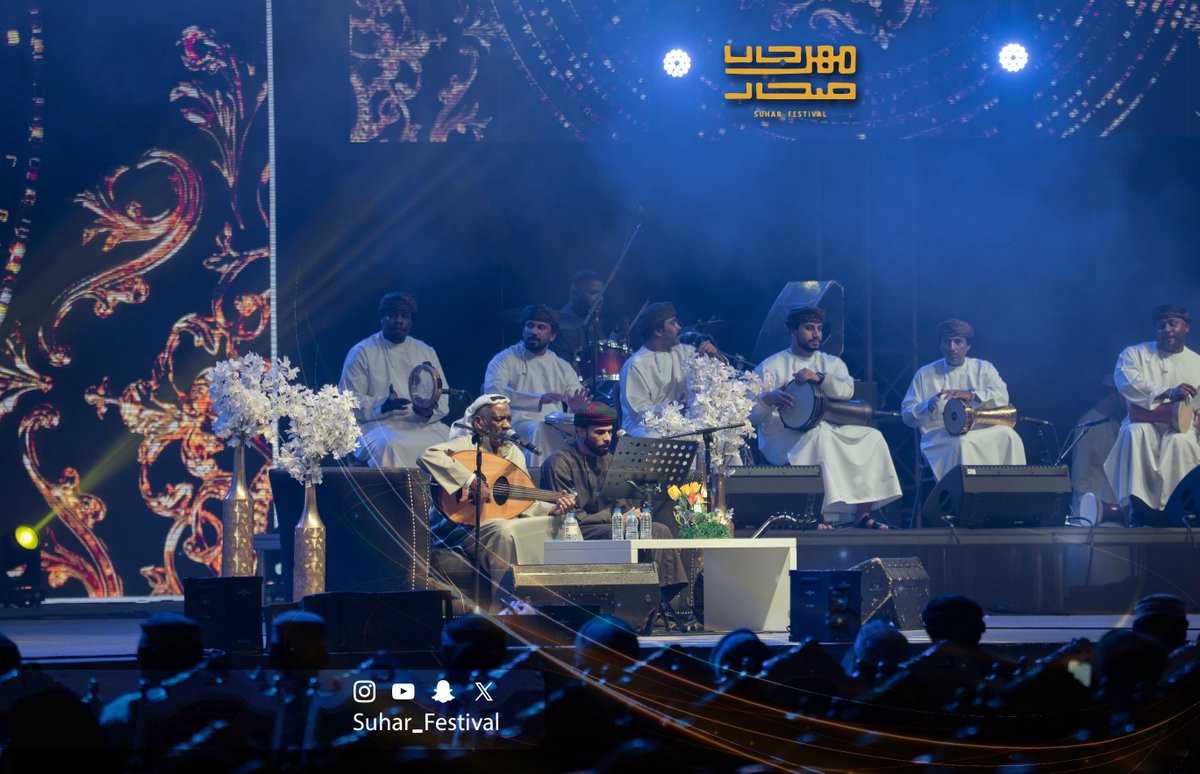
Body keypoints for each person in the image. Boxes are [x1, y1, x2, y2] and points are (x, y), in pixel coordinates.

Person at [751, 306, 902, 528]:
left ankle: (862, 514)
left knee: (873, 437)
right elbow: (750, 416)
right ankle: (816, 515)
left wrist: (820, 377)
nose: (816, 334)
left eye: (819, 329)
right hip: (781, 435)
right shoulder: (770, 366)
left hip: (828, 426)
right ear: (792, 331)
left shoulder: (831, 363)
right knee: (819, 437)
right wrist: (769, 398)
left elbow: (847, 391)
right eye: (809, 328)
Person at [418, 395, 573, 586]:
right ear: (479, 422)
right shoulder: (467, 443)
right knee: (504, 530)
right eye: (499, 419)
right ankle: (507, 599)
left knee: (561, 523)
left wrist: (551, 510)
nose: (506, 425)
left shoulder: (514, 452)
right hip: (461, 528)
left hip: (497, 521)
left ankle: (556, 593)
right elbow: (429, 456)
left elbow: (522, 501)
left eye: (508, 418)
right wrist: (470, 480)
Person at [540, 402, 690, 599]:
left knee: (658, 529)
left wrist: (631, 515)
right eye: (600, 432)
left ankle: (658, 601)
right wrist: (617, 518)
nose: (608, 438)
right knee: (642, 531)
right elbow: (569, 516)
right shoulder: (559, 462)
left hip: (613, 527)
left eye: (610, 432)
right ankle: (647, 603)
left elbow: (623, 505)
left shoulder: (612, 461)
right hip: (577, 532)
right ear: (580, 431)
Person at [1103, 304, 1200, 523]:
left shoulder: (1197, 363)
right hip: (1143, 421)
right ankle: (1139, 509)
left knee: (1181, 442)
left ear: (1186, 327)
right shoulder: (1134, 354)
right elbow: (1126, 381)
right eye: (1161, 326)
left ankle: (1181, 510)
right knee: (1135, 433)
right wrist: (1167, 392)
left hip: (1183, 427)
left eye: (1173, 324)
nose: (1167, 330)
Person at [901, 319, 1026, 481]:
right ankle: (969, 494)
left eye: (958, 341)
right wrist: (927, 405)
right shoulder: (925, 374)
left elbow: (1003, 395)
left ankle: (1010, 489)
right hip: (941, 435)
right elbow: (906, 414)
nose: (952, 347)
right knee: (962, 443)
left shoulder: (983, 368)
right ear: (941, 345)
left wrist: (971, 395)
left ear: (968, 345)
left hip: (980, 429)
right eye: (947, 342)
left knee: (1009, 435)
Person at [339, 291, 451, 468]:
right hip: (377, 425)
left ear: (411, 320)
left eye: (405, 315)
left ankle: (437, 489)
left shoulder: (425, 351)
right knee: (391, 445)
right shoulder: (362, 352)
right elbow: (348, 403)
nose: (399, 320)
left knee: (455, 443)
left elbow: (443, 397)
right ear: (382, 318)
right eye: (392, 315)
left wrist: (427, 411)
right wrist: (384, 405)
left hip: (420, 424)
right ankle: (397, 488)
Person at [482, 304, 590, 468]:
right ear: (523, 330)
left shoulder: (561, 365)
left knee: (585, 431)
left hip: (554, 425)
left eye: (541, 327)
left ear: (552, 336)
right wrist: (538, 399)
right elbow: (493, 393)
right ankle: (538, 479)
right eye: (530, 326)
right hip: (514, 425)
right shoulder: (505, 359)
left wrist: (577, 407)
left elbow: (577, 396)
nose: (534, 331)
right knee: (539, 429)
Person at [619, 301, 720, 437]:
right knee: (655, 436)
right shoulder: (635, 365)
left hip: (682, 422)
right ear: (658, 331)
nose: (679, 327)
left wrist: (714, 354)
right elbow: (639, 413)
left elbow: (718, 371)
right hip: (646, 428)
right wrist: (674, 407)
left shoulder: (684, 351)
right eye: (673, 323)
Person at [1069, 375, 1123, 520]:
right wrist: (1088, 510)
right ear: (1113, 394)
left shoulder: (1116, 425)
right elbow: (1080, 473)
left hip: (1113, 511)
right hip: (1092, 514)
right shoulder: (1086, 424)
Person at [551, 269, 605, 364]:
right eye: (592, 293)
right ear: (574, 293)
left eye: (601, 294)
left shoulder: (594, 324)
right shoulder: (562, 326)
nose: (600, 299)